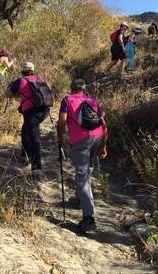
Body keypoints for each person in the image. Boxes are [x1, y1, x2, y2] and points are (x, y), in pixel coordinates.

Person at [57, 79, 108, 233]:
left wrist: (59, 135)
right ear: (84, 89)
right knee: (87, 170)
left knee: (82, 176)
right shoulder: (91, 100)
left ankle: (88, 218)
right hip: (98, 136)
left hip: (81, 140)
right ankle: (80, 200)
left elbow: (62, 121)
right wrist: (104, 145)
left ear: (72, 89)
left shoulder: (67, 100)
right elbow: (104, 123)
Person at [6, 62, 49, 175]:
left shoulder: (20, 81)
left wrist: (18, 94)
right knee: (25, 130)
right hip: (44, 110)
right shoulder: (40, 79)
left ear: (23, 71)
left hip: (31, 112)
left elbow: (8, 94)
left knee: (34, 138)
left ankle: (36, 168)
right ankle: (25, 155)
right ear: (32, 70)